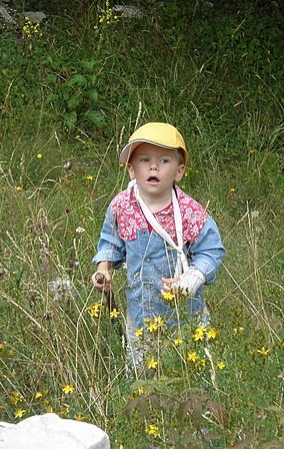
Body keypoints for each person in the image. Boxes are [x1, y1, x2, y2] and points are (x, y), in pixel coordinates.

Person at [90, 122, 225, 375]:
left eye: (164, 160)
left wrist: (192, 279)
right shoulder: (121, 207)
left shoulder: (190, 211)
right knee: (141, 372)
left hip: (185, 315)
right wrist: (103, 268)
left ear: (179, 171)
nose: (153, 167)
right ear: (131, 169)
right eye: (144, 160)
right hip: (140, 314)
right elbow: (110, 242)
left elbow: (212, 250)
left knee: (188, 370)